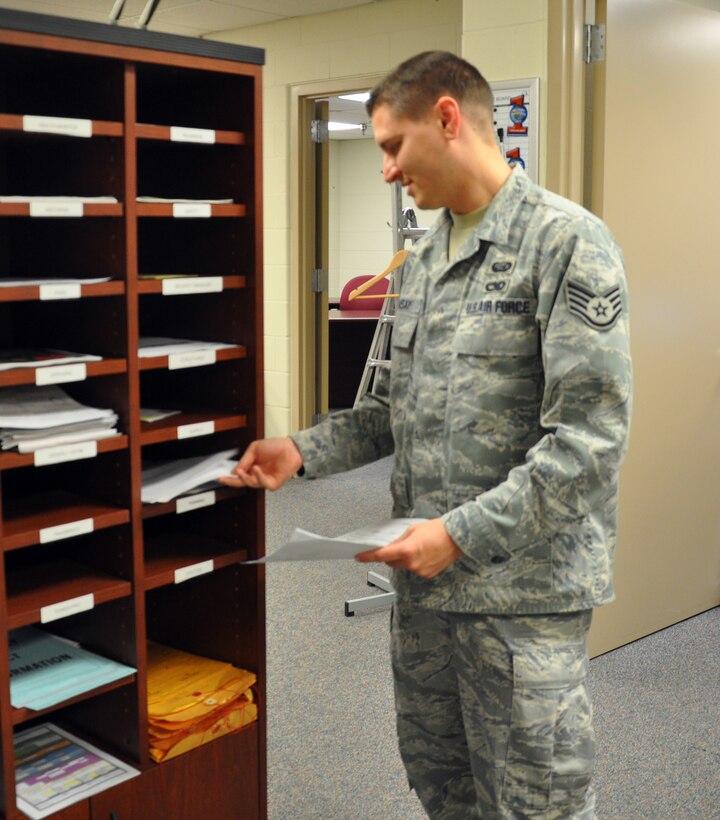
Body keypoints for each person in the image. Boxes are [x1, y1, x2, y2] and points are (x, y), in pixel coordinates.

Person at [221, 51, 632, 819]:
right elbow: (387, 412)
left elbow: (590, 443)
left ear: (447, 119)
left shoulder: (565, 244)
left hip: (519, 601)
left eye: (391, 145)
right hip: (426, 600)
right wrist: (302, 450)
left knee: (535, 802)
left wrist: (462, 534)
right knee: (444, 787)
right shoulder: (420, 262)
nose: (385, 170)